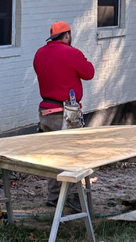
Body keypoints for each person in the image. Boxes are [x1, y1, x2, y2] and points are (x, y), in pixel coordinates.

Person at [32, 21, 95, 208]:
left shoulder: (39, 54)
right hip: (65, 113)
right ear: (67, 35)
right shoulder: (72, 53)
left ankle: (54, 196)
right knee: (71, 155)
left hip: (45, 112)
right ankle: (74, 197)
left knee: (53, 156)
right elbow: (89, 72)